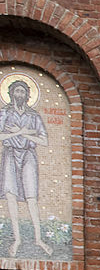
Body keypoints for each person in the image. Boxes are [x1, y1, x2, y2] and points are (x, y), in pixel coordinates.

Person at [1, 77, 52, 255]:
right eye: (16, 90)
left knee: (31, 196)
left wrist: (21, 133)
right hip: (10, 154)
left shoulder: (34, 116)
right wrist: (24, 132)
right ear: (10, 93)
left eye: (23, 91)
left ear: (27, 95)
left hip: (29, 155)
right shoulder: (5, 113)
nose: (19, 94)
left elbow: (44, 140)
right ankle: (17, 240)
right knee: (11, 196)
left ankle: (38, 239)